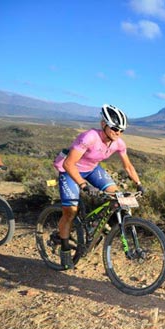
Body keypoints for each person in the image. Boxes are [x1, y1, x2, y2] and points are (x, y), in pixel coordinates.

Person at [54, 104, 144, 269]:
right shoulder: (89, 137)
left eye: (121, 130)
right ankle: (65, 249)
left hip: (92, 169)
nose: (118, 132)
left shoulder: (118, 143)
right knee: (70, 212)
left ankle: (95, 227)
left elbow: (128, 167)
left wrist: (139, 184)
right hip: (69, 169)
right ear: (104, 124)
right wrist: (83, 185)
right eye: (115, 128)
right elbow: (68, 163)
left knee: (117, 197)